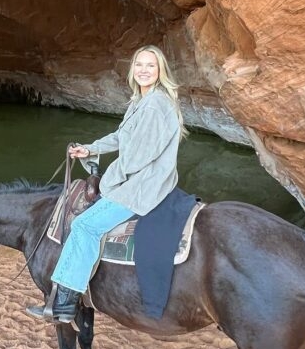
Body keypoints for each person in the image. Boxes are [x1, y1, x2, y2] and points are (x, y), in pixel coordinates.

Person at [27, 45, 187, 323]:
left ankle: (64, 304)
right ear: (132, 69)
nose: (144, 70)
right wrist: (90, 150)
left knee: (84, 226)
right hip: (140, 178)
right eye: (139, 64)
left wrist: (109, 180)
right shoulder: (141, 100)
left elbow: (139, 157)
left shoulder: (155, 105)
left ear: (161, 71)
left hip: (144, 184)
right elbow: (120, 137)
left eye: (151, 65)